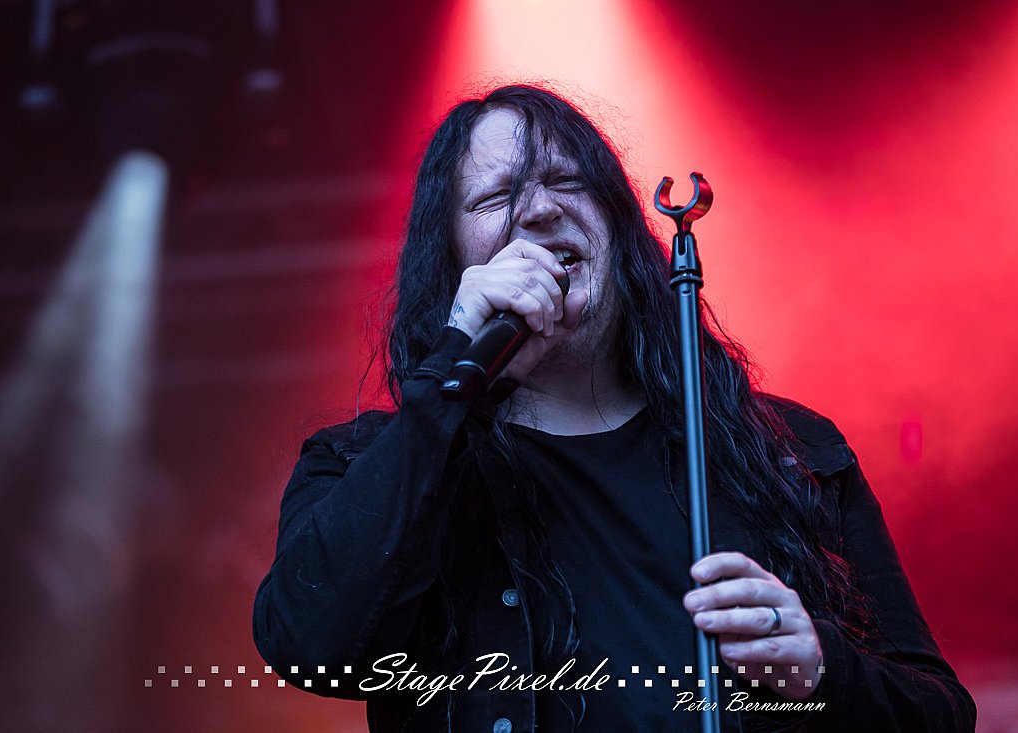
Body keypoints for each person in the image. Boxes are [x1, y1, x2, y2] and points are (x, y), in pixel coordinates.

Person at [253, 85, 975, 732]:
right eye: (495, 198)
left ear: (618, 230)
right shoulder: (361, 463)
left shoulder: (788, 452)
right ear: (452, 262)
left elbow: (939, 712)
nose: (540, 209)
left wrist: (822, 672)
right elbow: (310, 649)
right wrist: (449, 381)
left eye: (567, 181)